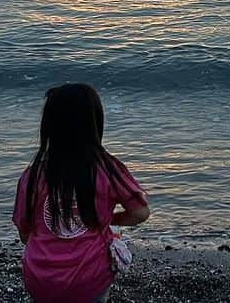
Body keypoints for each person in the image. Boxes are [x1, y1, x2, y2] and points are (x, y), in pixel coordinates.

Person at [13, 83, 151, 303]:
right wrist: (107, 221)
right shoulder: (107, 169)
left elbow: (24, 234)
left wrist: (58, 228)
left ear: (48, 126)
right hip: (89, 279)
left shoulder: (32, 176)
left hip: (40, 280)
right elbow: (140, 212)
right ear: (95, 123)